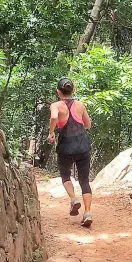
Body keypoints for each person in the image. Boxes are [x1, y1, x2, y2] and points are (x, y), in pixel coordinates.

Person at [48, 78, 94, 227]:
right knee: (84, 180)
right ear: (73, 90)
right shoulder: (80, 105)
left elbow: (54, 117)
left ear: (58, 92)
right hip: (82, 146)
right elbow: (88, 125)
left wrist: (51, 133)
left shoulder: (56, 105)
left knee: (65, 175)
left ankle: (74, 199)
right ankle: (87, 213)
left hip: (66, 146)